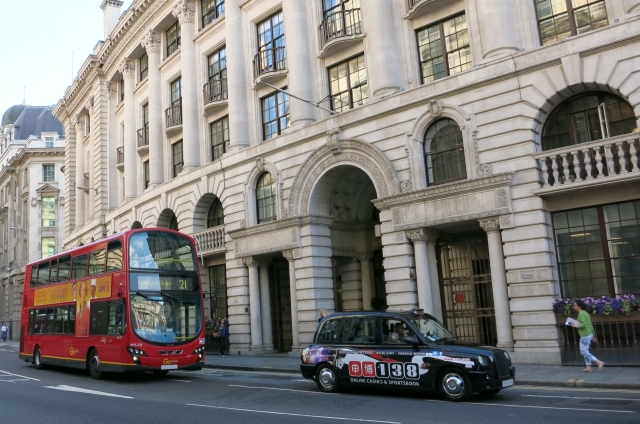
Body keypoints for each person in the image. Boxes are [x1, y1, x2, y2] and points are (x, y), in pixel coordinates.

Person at [570, 300, 604, 372]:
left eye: (575, 305)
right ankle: (588, 367)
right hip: (589, 333)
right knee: (586, 350)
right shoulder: (585, 313)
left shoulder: (581, 314)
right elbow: (590, 324)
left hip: (585, 334)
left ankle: (598, 361)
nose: (574, 306)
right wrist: (593, 335)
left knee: (583, 351)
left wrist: (575, 326)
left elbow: (584, 324)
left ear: (579, 306)